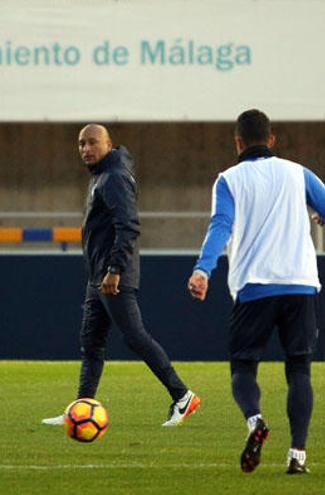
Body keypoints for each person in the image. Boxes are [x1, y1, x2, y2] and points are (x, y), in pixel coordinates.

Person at [187, 109, 325, 474]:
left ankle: (256, 420)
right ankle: (297, 456)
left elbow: (221, 225)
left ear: (238, 142)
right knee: (299, 370)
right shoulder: (298, 172)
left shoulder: (228, 180)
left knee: (244, 368)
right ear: (271, 139)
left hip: (254, 286)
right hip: (300, 283)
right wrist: (320, 216)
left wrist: (202, 269)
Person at [43, 124, 200, 428]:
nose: (86, 149)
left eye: (92, 143)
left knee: (135, 336)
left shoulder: (113, 177)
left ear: (108, 144)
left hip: (113, 275)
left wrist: (115, 269)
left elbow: (128, 225)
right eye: (81, 144)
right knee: (91, 343)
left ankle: (182, 395)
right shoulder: (102, 174)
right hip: (99, 275)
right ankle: (80, 408)